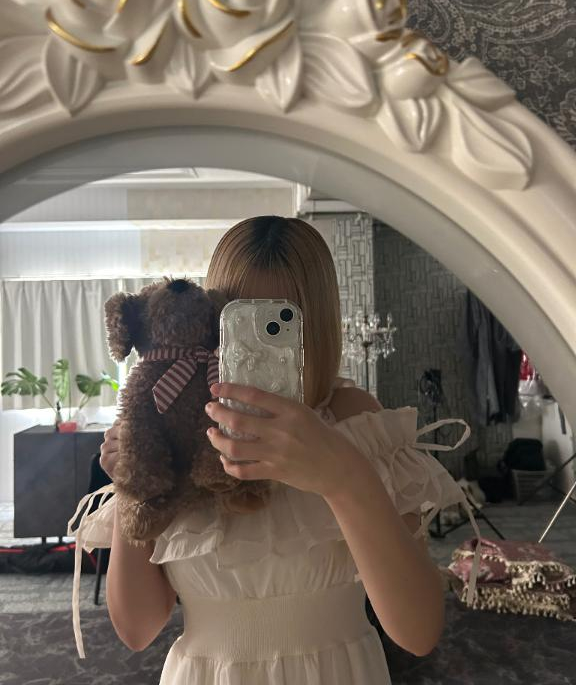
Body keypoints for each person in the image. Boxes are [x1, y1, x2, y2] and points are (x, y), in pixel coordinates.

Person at [69, 215, 482, 682]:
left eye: (279, 323)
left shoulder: (356, 423)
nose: (257, 346)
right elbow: (137, 628)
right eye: (239, 320)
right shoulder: (178, 429)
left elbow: (418, 631)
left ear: (316, 326)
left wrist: (342, 478)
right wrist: (133, 485)